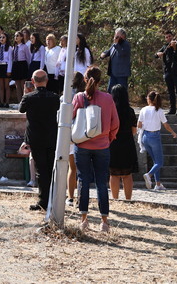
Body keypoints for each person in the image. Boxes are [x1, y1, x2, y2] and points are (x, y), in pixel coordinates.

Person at [72, 66, 118, 232]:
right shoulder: (108, 98)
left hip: (82, 145)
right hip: (103, 145)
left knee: (83, 180)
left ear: (85, 79)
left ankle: (84, 219)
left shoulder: (78, 97)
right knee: (101, 182)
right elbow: (115, 123)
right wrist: (108, 138)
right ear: (100, 80)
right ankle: (104, 221)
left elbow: (70, 118)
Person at [19, 69, 60, 211]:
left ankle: (43, 200)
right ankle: (53, 199)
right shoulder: (54, 97)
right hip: (51, 137)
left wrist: (25, 93)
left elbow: (21, 109)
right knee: (50, 168)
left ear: (33, 81)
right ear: (47, 80)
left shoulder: (29, 97)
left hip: (36, 138)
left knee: (41, 170)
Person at [138, 90, 177, 191]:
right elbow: (166, 125)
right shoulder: (159, 111)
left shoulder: (143, 110)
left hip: (145, 137)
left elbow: (139, 124)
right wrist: (173, 132)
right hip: (154, 136)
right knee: (160, 162)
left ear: (149, 99)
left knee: (156, 161)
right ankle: (149, 175)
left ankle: (158, 184)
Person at [108, 84, 138, 201]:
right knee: (127, 174)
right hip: (127, 144)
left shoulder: (111, 110)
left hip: (113, 143)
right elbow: (134, 130)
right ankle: (128, 199)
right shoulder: (130, 111)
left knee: (113, 173)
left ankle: (115, 199)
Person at [66, 71, 85, 206]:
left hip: (71, 133)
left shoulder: (66, 96)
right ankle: (81, 198)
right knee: (83, 169)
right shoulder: (86, 96)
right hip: (84, 133)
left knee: (71, 168)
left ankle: (70, 197)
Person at [157, 31, 177, 115]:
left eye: (170, 36)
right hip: (168, 71)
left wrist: (174, 47)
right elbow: (156, 54)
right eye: (167, 37)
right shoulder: (165, 46)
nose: (169, 38)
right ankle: (172, 109)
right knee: (170, 91)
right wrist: (159, 54)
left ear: (172, 36)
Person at [10, 31, 31, 105]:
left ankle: (25, 101)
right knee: (17, 85)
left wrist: (28, 67)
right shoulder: (14, 47)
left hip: (22, 65)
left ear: (21, 37)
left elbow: (28, 57)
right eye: (15, 36)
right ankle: (19, 102)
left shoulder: (24, 46)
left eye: (18, 36)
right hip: (16, 65)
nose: (16, 37)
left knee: (23, 85)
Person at [0, 31, 13, 107]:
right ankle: (1, 102)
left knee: (6, 86)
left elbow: (10, 59)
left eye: (3, 37)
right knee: (1, 86)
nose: (1, 39)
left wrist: (9, 70)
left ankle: (7, 102)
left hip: (6, 66)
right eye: (0, 37)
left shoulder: (9, 48)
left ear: (6, 39)